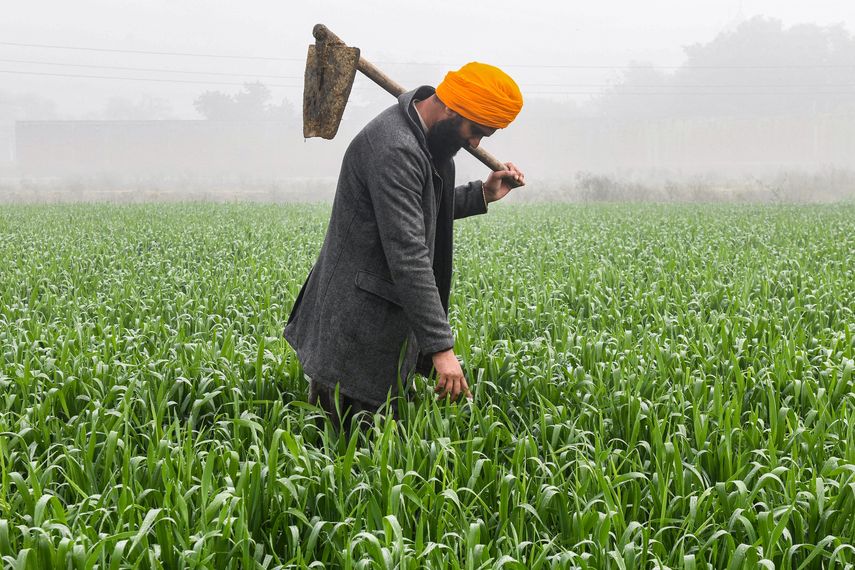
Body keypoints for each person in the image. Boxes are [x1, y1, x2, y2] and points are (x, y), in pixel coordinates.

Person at [284, 62, 525, 436]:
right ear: (449, 108)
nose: (476, 144)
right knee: (348, 460)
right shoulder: (395, 148)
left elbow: (422, 206)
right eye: (475, 131)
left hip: (381, 326)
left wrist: (483, 194)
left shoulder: (426, 138)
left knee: (382, 456)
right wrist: (442, 349)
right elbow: (408, 254)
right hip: (356, 330)